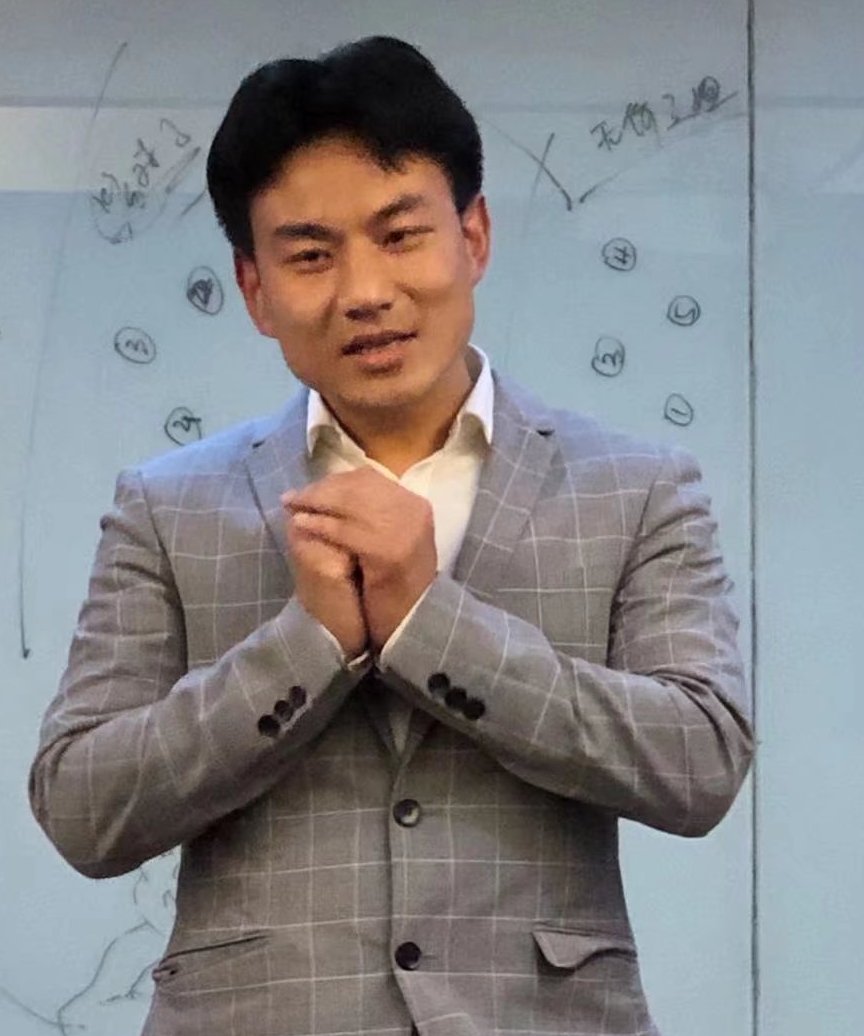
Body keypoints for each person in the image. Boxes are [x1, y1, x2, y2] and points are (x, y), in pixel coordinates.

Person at [29, 35, 753, 1036]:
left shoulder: (636, 488)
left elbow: (701, 760)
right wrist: (308, 644)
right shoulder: (168, 506)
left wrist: (430, 626)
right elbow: (82, 806)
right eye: (311, 255)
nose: (365, 290)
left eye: (401, 234)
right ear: (255, 289)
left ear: (475, 236)